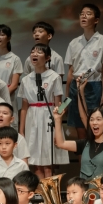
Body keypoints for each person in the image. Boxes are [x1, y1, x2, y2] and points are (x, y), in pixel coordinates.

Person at [19, 44, 69, 179]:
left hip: (49, 117)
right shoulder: (25, 79)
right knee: (35, 163)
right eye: (32, 51)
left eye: (39, 52)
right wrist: (21, 131)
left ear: (47, 58)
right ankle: (40, 190)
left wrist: (58, 127)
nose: (35, 54)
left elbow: (59, 105)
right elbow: (24, 107)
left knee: (48, 164)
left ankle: (50, 190)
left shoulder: (54, 77)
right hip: (32, 118)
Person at [64, 3, 103, 140]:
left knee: (94, 125)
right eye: (82, 14)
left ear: (96, 20)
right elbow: (70, 72)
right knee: (79, 128)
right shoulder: (74, 43)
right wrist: (67, 99)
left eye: (88, 14)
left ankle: (95, 153)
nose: (84, 16)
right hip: (76, 86)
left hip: (94, 86)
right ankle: (83, 154)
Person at [53, 105, 103, 179]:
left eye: (98, 119)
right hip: (83, 186)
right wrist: (57, 119)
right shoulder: (85, 143)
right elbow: (61, 143)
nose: (94, 122)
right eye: (91, 119)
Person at [0, 24, 23, 128]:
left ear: (9, 38)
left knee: (9, 128)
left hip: (8, 99)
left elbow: (14, 85)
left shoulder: (15, 59)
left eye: (2, 35)